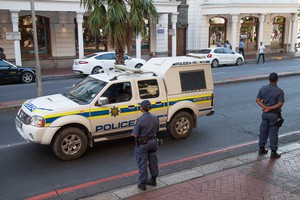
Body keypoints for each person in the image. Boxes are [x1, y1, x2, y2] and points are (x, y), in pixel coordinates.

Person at [256, 72, 285, 159]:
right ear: (277, 80)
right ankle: (273, 152)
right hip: (274, 115)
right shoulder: (279, 91)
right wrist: (270, 108)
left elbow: (257, 100)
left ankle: (261, 149)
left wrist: (265, 107)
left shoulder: (263, 89)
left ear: (269, 79)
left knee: (263, 131)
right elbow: (280, 103)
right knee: (273, 133)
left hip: (265, 114)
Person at [132, 100, 159, 191]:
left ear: (142, 108)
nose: (140, 107)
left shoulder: (140, 120)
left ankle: (143, 183)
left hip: (143, 144)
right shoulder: (155, 117)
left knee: (142, 162)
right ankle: (153, 179)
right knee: (153, 161)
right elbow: (157, 129)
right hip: (153, 142)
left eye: (140, 106)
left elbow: (135, 134)